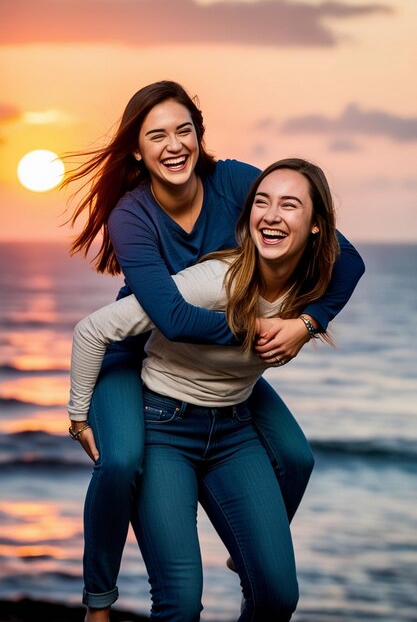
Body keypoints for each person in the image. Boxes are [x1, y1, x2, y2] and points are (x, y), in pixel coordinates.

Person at [63, 81, 365, 621]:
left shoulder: (240, 185)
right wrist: (259, 331)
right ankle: (99, 600)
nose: (174, 144)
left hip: (215, 366)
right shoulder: (133, 215)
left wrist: (306, 321)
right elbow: (174, 319)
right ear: (137, 148)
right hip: (139, 347)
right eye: (156, 135)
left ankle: (247, 550)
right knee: (122, 460)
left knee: (296, 457)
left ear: (201, 138)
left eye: (185, 130)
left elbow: (345, 257)